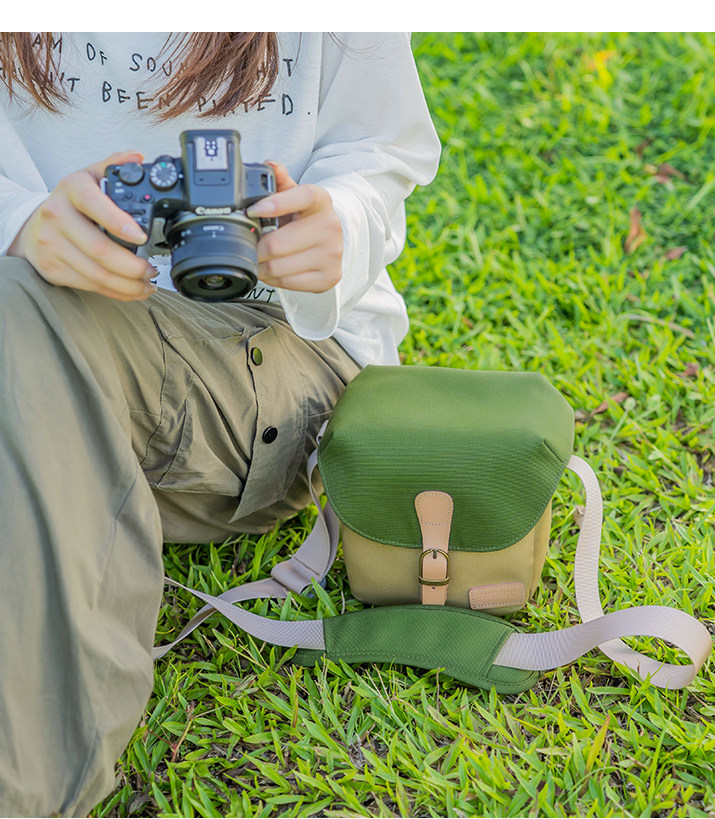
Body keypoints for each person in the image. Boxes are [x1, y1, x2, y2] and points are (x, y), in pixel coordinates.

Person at [0, 32, 441, 816]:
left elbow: (381, 148)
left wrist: (338, 226)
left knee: (15, 314)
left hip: (265, 354)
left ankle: (27, 786)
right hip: (33, 320)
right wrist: (21, 220)